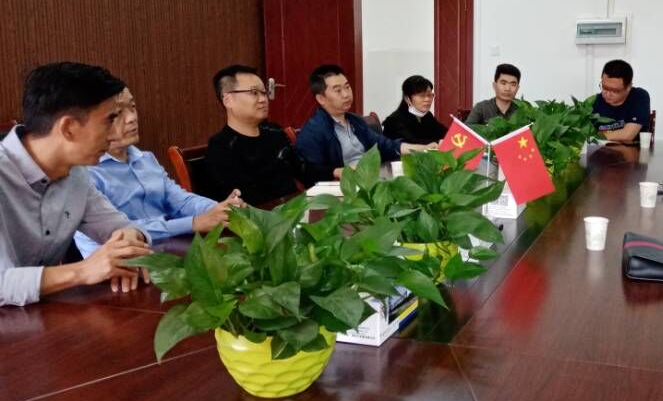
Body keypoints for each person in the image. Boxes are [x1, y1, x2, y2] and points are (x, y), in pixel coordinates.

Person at [0, 62, 153, 305]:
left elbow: (119, 226)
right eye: (109, 120)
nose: (114, 134)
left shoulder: (75, 172)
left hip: (40, 316)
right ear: (69, 128)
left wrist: (128, 241)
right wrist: (83, 271)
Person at [75, 87, 243, 257]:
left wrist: (220, 209)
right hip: (119, 262)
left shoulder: (146, 159)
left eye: (132, 107)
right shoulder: (84, 173)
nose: (132, 118)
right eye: (118, 113)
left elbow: (181, 201)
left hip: (168, 249)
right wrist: (193, 223)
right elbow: (121, 231)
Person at [296, 65, 435, 180]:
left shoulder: (355, 121)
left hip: (371, 178)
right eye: (338, 90)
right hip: (345, 186)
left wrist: (424, 148)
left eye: (347, 87)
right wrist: (339, 172)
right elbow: (309, 171)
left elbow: (385, 145)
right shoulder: (312, 131)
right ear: (321, 99)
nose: (346, 94)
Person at [206, 64, 319, 205]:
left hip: (297, 209)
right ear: (228, 100)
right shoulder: (221, 147)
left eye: (264, 93)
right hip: (265, 216)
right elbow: (241, 202)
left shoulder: (274, 132)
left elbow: (303, 170)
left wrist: (335, 173)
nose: (263, 99)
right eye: (254, 92)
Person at [592, 59, 651, 143]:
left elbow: (627, 135)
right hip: (601, 150)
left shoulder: (638, 96)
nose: (607, 94)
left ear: (628, 87)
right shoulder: (594, 101)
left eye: (614, 91)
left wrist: (595, 136)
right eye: (604, 88)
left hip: (631, 150)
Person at [382, 75, 448, 144]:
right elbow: (412, 143)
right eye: (422, 95)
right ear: (407, 99)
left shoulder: (427, 116)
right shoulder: (394, 121)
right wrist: (438, 142)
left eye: (429, 95)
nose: (427, 99)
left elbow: (444, 133)